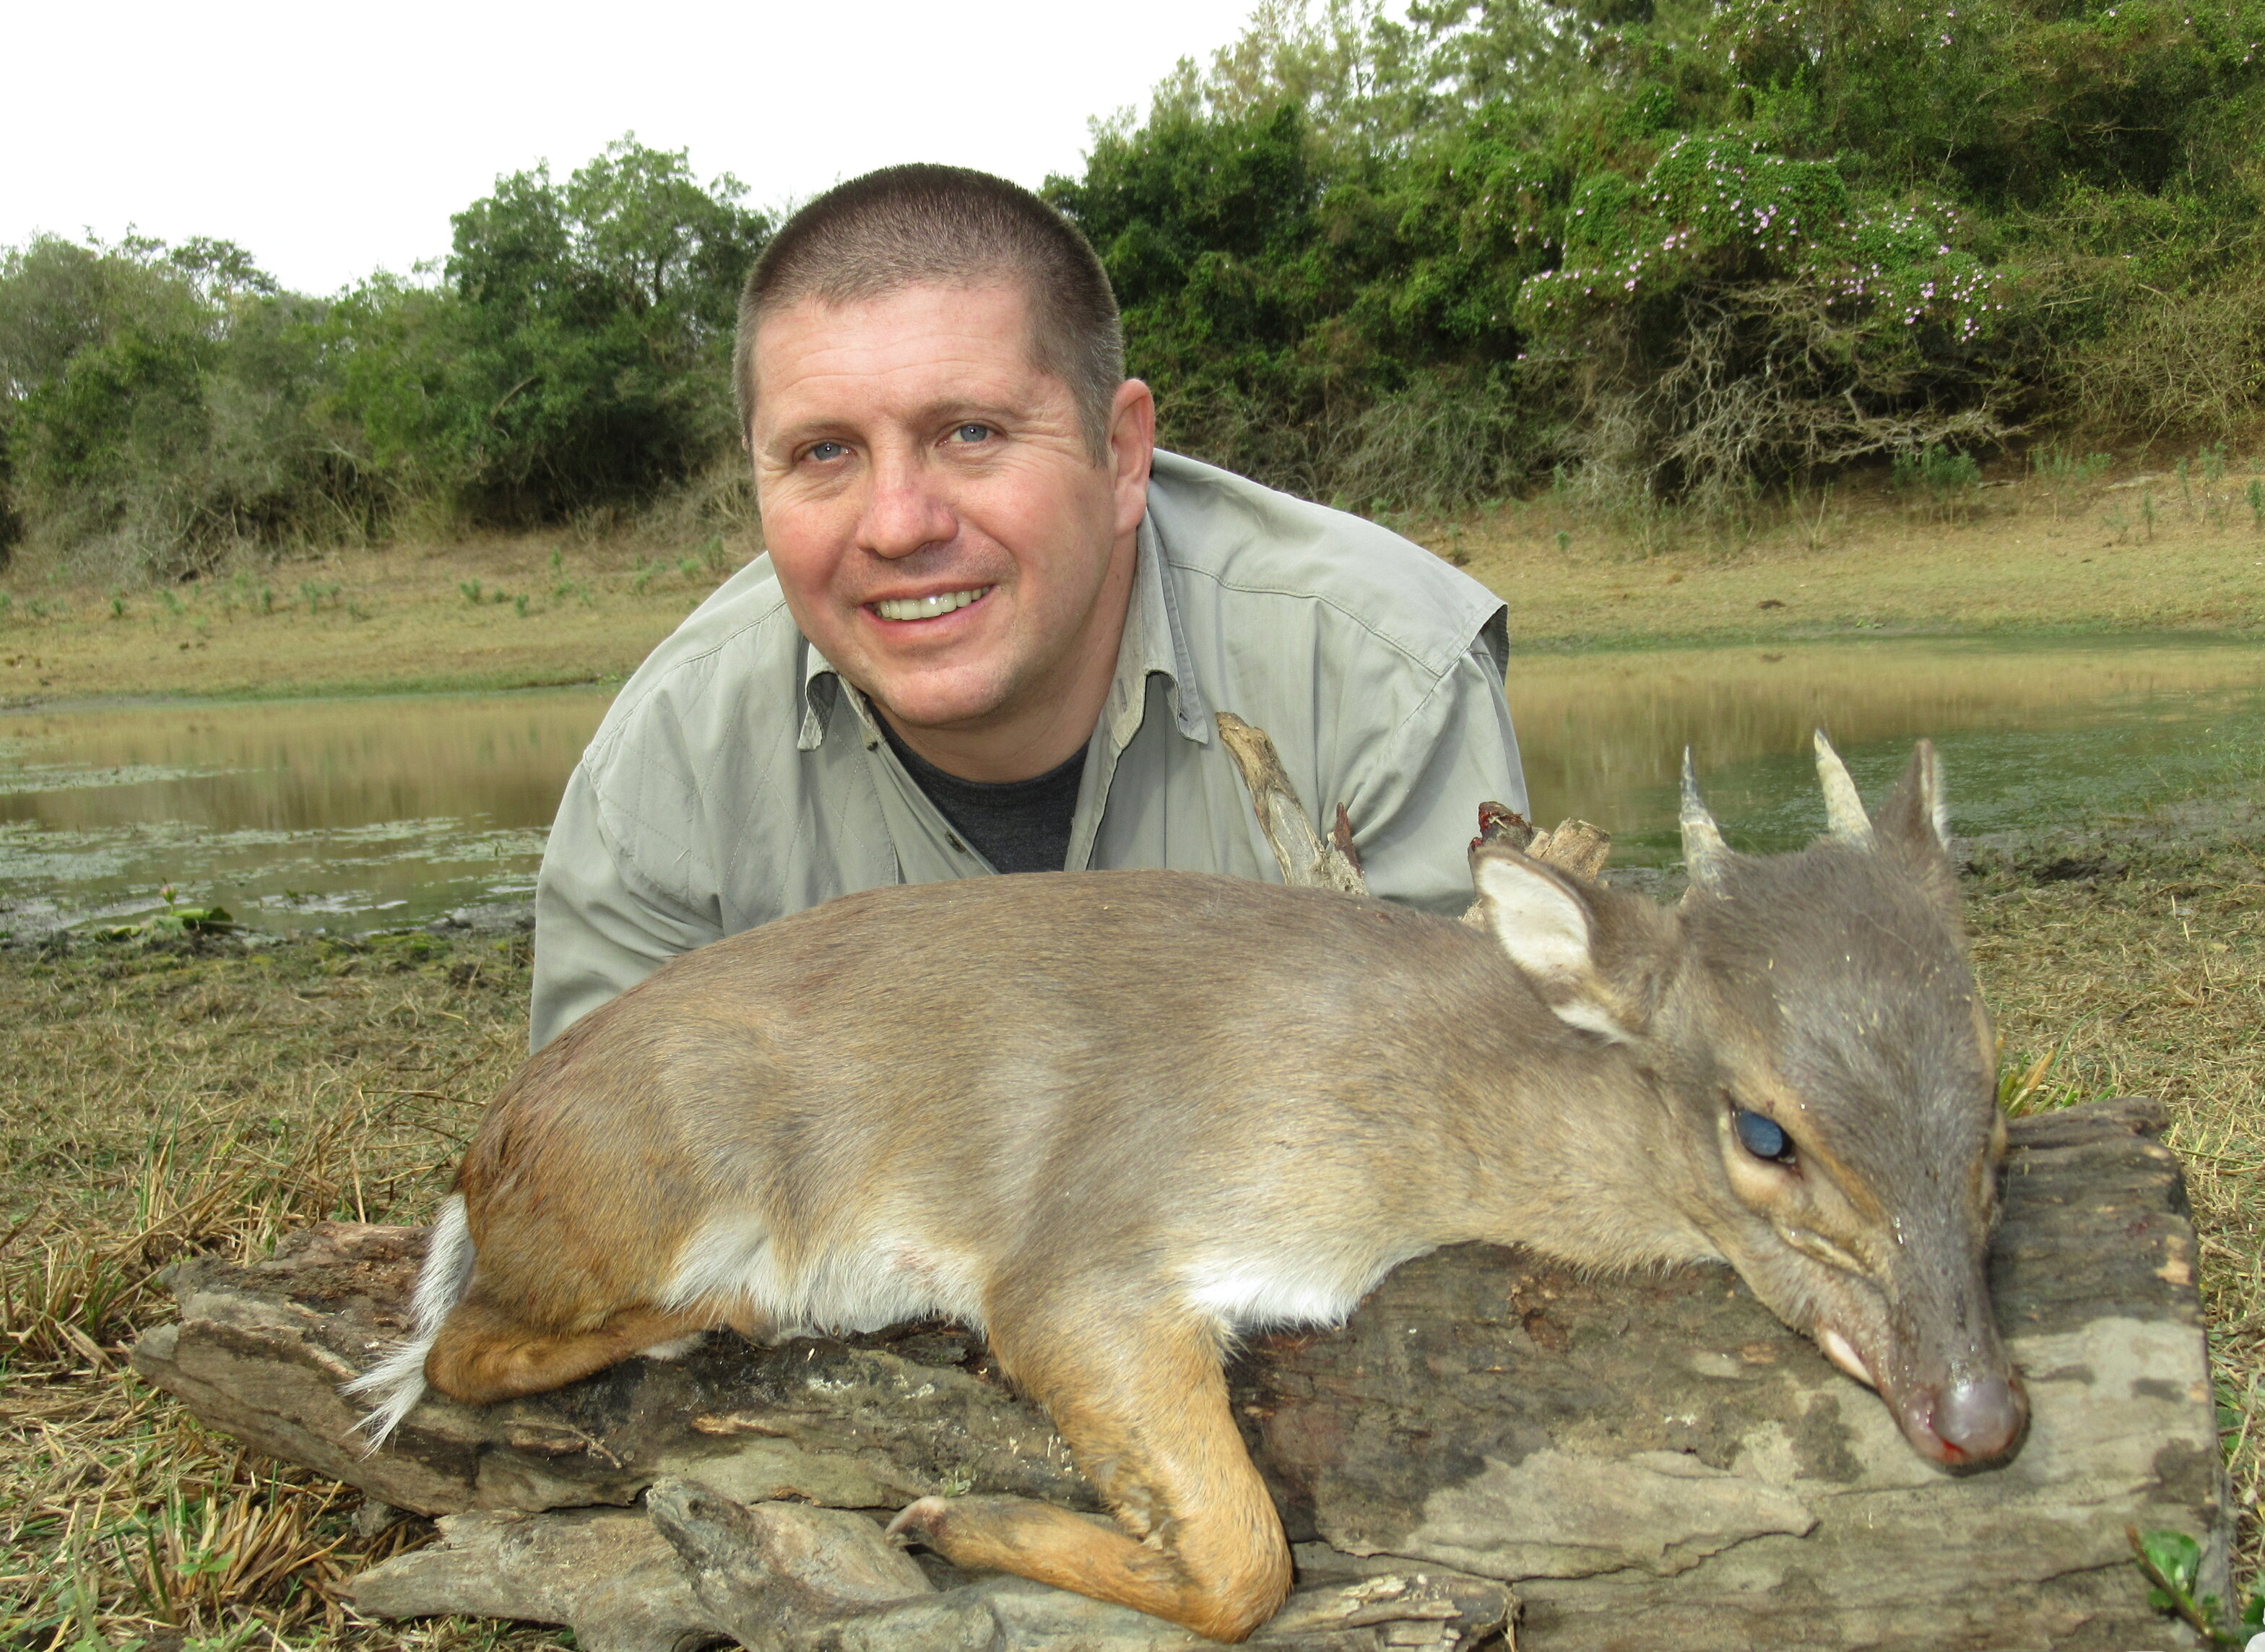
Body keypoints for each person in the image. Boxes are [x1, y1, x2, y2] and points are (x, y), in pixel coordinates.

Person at [529, 164, 1526, 1051]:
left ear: (1124, 454)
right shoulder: (661, 780)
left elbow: (1474, 1147)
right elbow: (597, 1203)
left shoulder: (1381, 677)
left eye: (970, 432)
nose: (897, 525)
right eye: (824, 452)